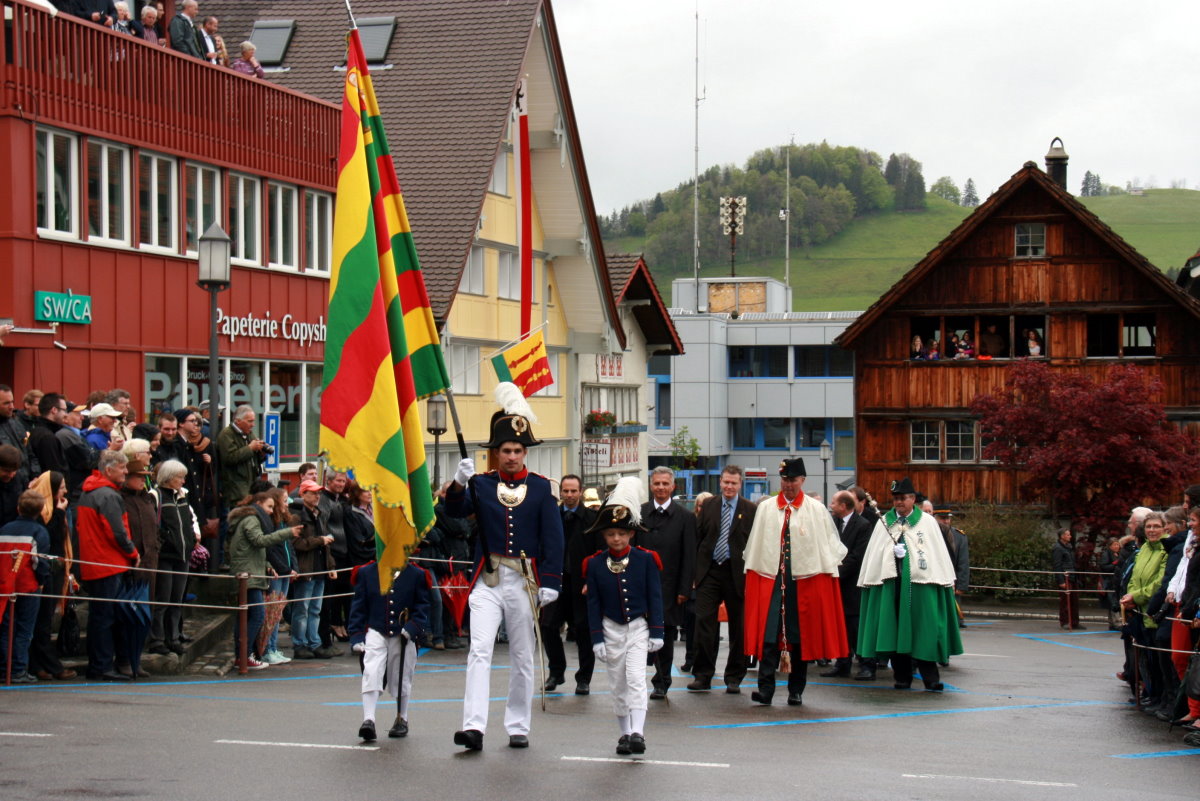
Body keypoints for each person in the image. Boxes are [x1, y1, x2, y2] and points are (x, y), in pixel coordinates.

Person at [447, 383, 564, 751]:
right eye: (504, 450)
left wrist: (552, 581)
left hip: (524, 581)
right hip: (488, 579)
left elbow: (553, 538)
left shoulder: (543, 488)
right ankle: (473, 727)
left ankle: (518, 725)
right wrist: (458, 483)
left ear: (524, 452)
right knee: (479, 650)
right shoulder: (480, 485)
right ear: (495, 453)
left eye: (516, 450)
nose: (511, 456)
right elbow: (453, 512)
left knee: (521, 655)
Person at [742, 458, 847, 706]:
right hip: (771, 580)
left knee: (798, 638)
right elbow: (756, 546)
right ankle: (765, 690)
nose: (788, 485)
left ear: (802, 480)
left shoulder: (816, 509)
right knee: (769, 637)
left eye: (793, 480)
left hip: (802, 582)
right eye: (785, 480)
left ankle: (795, 690)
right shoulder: (767, 508)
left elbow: (826, 547)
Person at [857, 477, 962, 692]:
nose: (899, 503)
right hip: (893, 586)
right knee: (895, 632)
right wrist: (893, 556)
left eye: (903, 498)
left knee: (924, 631)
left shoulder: (927, 522)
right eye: (895, 499)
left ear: (913, 499)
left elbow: (936, 554)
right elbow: (876, 555)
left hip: (921, 585)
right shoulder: (884, 522)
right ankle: (901, 677)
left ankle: (930, 678)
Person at [584, 477, 663, 756]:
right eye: (610, 534)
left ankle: (638, 732)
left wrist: (657, 631)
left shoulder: (645, 559)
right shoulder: (594, 564)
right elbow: (593, 603)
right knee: (617, 683)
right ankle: (624, 733)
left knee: (636, 679)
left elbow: (655, 597)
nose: (616, 538)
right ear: (604, 536)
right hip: (610, 628)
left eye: (621, 533)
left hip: (638, 627)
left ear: (631, 534)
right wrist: (596, 638)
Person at [689, 465, 755, 693]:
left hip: (737, 574)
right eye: (726, 482)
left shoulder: (750, 509)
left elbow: (754, 544)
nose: (729, 486)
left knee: (738, 627)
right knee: (704, 623)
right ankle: (703, 675)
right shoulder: (708, 506)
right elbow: (698, 538)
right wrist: (695, 573)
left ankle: (734, 677)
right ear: (720, 482)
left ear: (740, 484)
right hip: (710, 571)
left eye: (733, 483)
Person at [76, 450, 140, 681]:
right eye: (122, 468)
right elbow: (117, 532)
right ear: (109, 469)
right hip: (108, 562)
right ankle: (102, 666)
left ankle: (102, 664)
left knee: (101, 617)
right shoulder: (107, 496)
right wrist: (132, 552)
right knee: (105, 618)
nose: (125, 472)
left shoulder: (91, 492)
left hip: (96, 561)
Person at [349, 559, 429, 741]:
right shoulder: (367, 572)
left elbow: (422, 606)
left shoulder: (416, 574)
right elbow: (358, 606)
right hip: (376, 630)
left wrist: (413, 627)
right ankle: (368, 720)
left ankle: (402, 717)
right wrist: (356, 635)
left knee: (402, 675)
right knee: (371, 670)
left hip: (402, 633)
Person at [637, 466, 695, 699]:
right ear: (651, 486)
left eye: (665, 484)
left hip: (670, 587)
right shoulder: (639, 513)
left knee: (666, 635)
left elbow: (689, 556)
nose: (660, 488)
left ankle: (662, 681)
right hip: (640, 585)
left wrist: (684, 589)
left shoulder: (686, 517)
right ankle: (636, 679)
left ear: (673, 487)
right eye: (657, 483)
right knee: (638, 632)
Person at [227, 491, 301, 669]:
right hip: (247, 574)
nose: (270, 511)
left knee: (247, 616)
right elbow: (259, 541)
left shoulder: (251, 518)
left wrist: (267, 564)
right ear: (259, 503)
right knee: (257, 615)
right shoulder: (251, 519)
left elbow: (253, 547)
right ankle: (245, 655)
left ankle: (244, 655)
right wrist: (287, 533)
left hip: (251, 571)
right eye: (269, 507)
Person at [540, 473, 600, 693]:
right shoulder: (551, 516)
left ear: (581, 491)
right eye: (565, 491)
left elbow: (598, 554)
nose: (569, 495)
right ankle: (556, 672)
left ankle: (584, 678)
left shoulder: (592, 519)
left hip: (581, 584)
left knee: (583, 630)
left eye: (574, 491)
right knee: (548, 627)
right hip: (556, 581)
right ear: (561, 492)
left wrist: (592, 581)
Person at [26, 471, 76, 680]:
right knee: (42, 621)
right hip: (46, 569)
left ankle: (39, 665)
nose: (65, 491)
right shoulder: (44, 511)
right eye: (62, 487)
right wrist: (59, 513)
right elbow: (50, 536)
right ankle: (48, 665)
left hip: (57, 569)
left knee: (44, 620)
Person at [822, 490, 876, 680]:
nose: (831, 506)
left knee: (857, 628)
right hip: (836, 585)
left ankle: (867, 665)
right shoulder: (833, 523)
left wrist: (836, 572)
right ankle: (842, 663)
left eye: (834, 503)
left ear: (844, 506)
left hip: (853, 586)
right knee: (841, 627)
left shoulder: (863, 525)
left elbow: (857, 557)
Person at [0, 490, 52, 683]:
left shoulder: (5, 528)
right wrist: (42, 581)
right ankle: (19, 668)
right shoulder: (39, 532)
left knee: (7, 628)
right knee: (24, 629)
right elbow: (41, 562)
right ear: (40, 511)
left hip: (6, 584)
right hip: (28, 585)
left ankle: (5, 667)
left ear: (18, 508)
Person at [147, 459, 197, 656]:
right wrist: (165, 542)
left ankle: (173, 637)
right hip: (166, 555)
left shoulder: (181, 496)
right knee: (163, 599)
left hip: (183, 554)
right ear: (169, 478)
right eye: (180, 477)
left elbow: (189, 521)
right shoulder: (156, 496)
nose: (183, 481)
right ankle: (157, 639)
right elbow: (154, 525)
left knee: (177, 599)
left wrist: (191, 540)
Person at [290, 479, 333, 659]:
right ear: (303, 494)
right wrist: (320, 541)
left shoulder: (318, 514)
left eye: (318, 493)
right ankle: (300, 643)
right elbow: (296, 543)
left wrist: (330, 565)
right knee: (302, 608)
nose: (317, 496)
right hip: (306, 568)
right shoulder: (297, 516)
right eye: (313, 493)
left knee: (315, 608)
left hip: (319, 567)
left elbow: (326, 544)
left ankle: (314, 642)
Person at [934, 507, 970, 627]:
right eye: (942, 518)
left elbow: (963, 563)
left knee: (954, 611)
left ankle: (956, 622)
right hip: (934, 576)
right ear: (935, 519)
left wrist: (962, 585)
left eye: (948, 518)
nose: (946, 521)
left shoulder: (959, 536)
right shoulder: (929, 534)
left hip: (952, 579)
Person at [1052, 528, 1081, 630]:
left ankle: (1074, 622)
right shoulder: (1058, 548)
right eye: (1068, 535)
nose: (1070, 536)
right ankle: (1065, 621)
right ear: (1062, 536)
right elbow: (1057, 565)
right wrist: (1061, 581)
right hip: (1065, 577)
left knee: (1074, 600)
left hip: (1072, 576)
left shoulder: (1069, 547)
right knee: (1065, 601)